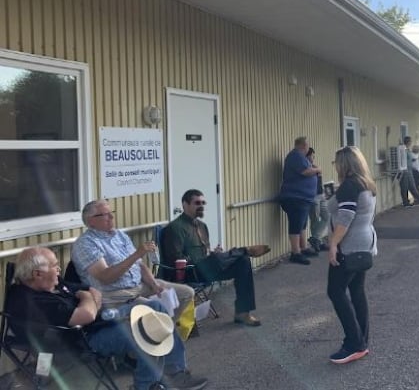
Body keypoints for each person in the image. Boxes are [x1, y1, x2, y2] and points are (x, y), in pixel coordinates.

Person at [8, 247, 208, 390]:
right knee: (147, 331)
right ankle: (146, 386)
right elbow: (86, 312)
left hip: (99, 320)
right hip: (84, 340)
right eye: (54, 266)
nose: (59, 269)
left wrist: (89, 300)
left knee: (154, 307)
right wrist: (88, 300)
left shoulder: (50, 283)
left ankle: (174, 372)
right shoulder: (32, 301)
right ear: (36, 273)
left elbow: (91, 290)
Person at [161, 189, 269, 327]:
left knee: (243, 261)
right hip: (189, 273)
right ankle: (244, 250)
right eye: (196, 203)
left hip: (207, 269)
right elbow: (175, 258)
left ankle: (243, 313)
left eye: (202, 203)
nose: (201, 206)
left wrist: (213, 253)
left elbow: (205, 252)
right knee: (222, 258)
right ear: (185, 204)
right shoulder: (175, 228)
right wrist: (208, 259)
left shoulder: (202, 226)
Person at [71, 200, 194, 322]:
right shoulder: (86, 243)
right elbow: (105, 277)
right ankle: (156, 334)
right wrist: (137, 254)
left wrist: (153, 284)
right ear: (91, 221)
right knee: (156, 309)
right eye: (105, 214)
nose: (112, 217)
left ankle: (163, 333)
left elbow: (139, 265)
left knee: (186, 293)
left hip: (139, 286)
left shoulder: (119, 235)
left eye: (111, 212)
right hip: (116, 295)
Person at [326, 146, 377, 364]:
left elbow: (345, 218)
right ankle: (362, 341)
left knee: (335, 291)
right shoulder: (365, 183)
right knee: (356, 291)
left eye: (337, 162)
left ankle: (354, 343)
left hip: (350, 246)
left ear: (344, 164)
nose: (335, 166)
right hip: (365, 243)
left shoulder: (349, 185)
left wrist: (333, 244)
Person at [278, 136, 321, 265]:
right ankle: (295, 252)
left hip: (303, 198)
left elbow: (307, 169)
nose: (308, 147)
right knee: (296, 224)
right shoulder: (295, 156)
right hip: (295, 197)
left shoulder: (301, 158)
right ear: (304, 146)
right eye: (307, 145)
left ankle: (303, 247)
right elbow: (306, 172)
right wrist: (317, 170)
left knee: (302, 223)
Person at [306, 147, 330, 251]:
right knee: (314, 219)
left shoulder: (315, 167)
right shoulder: (305, 168)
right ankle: (317, 241)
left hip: (321, 195)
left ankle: (315, 238)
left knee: (327, 216)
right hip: (313, 196)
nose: (313, 158)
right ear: (307, 156)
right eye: (312, 156)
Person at [397, 136, 419, 208]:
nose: (411, 143)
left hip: (410, 170)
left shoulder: (408, 150)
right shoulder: (403, 150)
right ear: (408, 142)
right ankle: (405, 202)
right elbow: (403, 160)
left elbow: (410, 159)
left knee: (412, 186)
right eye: (410, 141)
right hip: (404, 171)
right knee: (404, 187)